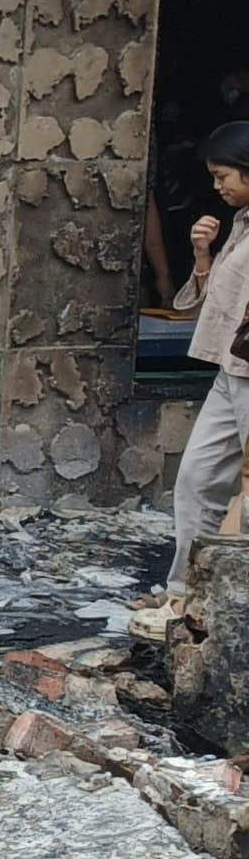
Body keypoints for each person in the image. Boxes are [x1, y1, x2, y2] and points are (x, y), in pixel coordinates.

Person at [169, 121, 249, 595]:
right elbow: (219, 297)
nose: (217, 187)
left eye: (223, 176)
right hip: (231, 369)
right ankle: (184, 594)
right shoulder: (241, 222)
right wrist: (203, 254)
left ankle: (227, 601)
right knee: (198, 479)